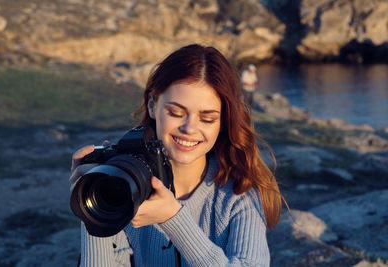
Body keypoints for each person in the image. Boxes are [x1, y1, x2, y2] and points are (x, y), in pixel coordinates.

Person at [70, 44, 283, 267]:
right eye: (176, 113)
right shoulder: (126, 186)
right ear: (153, 106)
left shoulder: (239, 193)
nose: (189, 128)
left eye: (207, 118)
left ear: (223, 123)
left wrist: (174, 219)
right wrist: (92, 208)